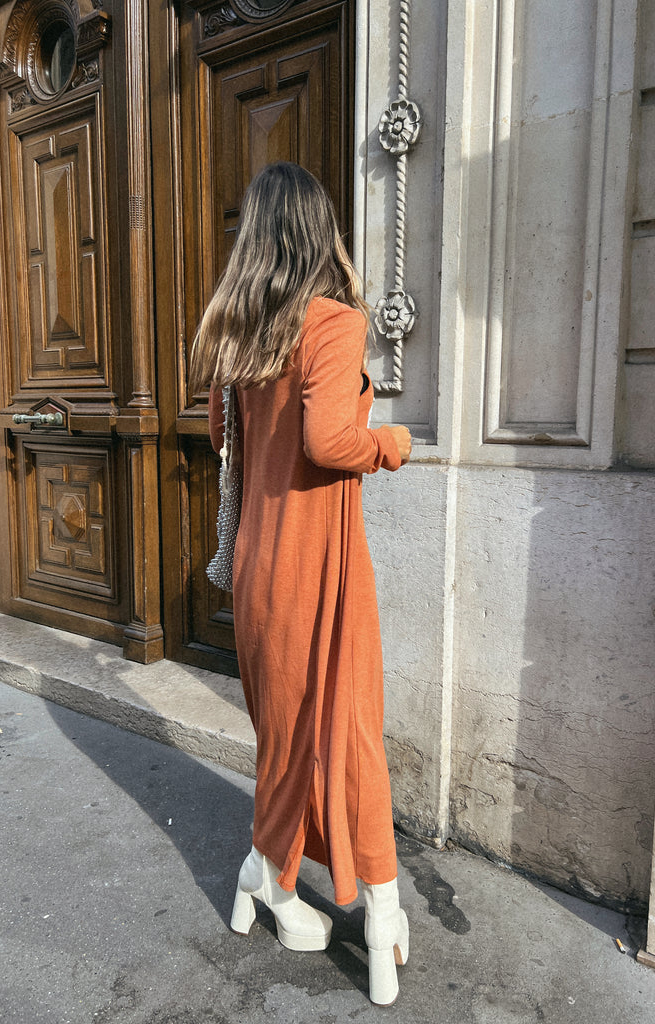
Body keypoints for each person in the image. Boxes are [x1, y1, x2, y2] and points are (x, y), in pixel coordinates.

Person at [190, 161, 412, 1006]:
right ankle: (373, 913)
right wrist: (392, 444)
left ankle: (266, 879)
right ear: (321, 231)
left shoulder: (238, 333)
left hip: (258, 569)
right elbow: (330, 443)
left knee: (285, 740)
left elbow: (221, 437)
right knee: (350, 736)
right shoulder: (334, 322)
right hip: (323, 569)